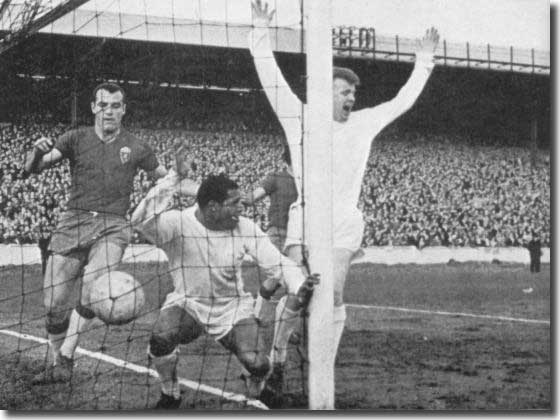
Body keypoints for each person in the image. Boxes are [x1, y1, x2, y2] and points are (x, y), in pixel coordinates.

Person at [250, 0, 439, 396]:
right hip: (306, 218)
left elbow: (402, 100)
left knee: (332, 293)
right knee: (298, 290)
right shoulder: (298, 117)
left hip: (343, 221)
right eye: (344, 91)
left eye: (354, 92)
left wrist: (423, 61)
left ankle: (322, 377)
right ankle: (279, 361)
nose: (351, 98)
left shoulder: (364, 123)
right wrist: (260, 30)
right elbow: (270, 76)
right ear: (324, 90)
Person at [22, 82, 177, 384]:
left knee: (94, 288)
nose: (109, 111)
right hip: (74, 221)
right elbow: (35, 169)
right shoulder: (75, 138)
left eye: (115, 105)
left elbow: (166, 178)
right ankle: (58, 361)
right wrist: (34, 153)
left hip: (114, 225)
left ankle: (66, 357)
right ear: (93, 107)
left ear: (123, 109)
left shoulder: (137, 146)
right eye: (103, 105)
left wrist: (181, 174)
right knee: (54, 305)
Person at [131, 173, 317, 409]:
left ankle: (257, 387)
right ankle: (170, 393)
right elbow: (140, 220)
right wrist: (174, 178)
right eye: (234, 203)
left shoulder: (245, 227)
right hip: (189, 303)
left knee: (258, 363)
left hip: (233, 307)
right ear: (212, 207)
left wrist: (299, 283)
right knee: (161, 336)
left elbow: (276, 262)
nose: (242, 207)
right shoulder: (178, 223)